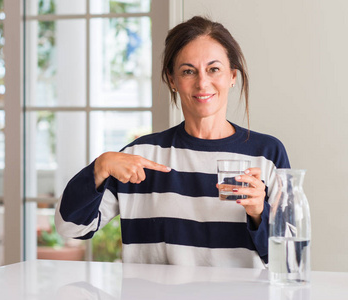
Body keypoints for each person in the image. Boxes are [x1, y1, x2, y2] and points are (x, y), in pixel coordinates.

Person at [55, 16, 290, 268]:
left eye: (214, 69)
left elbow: (289, 259)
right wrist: (98, 167)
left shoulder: (266, 154)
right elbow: (69, 228)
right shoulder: (141, 155)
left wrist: (258, 213)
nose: (202, 82)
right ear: (172, 80)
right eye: (188, 71)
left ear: (232, 75)